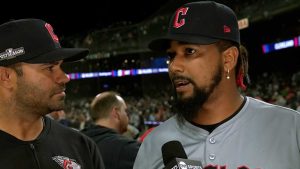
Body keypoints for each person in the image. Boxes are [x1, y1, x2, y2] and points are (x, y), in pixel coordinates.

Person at [133, 1, 300, 169]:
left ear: (228, 59)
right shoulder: (154, 144)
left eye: (189, 51)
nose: (174, 66)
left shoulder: (291, 129)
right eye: (172, 55)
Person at [0, 19, 105, 169]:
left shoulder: (81, 147)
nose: (65, 78)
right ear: (7, 77)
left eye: (61, 67)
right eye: (49, 68)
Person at [82, 91, 141, 169]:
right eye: (125, 111)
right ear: (116, 113)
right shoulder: (125, 148)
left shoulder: (76, 142)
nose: (127, 115)